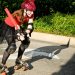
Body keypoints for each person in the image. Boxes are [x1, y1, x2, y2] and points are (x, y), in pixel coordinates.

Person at [0, 0, 36, 72]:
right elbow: (17, 28)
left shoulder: (31, 14)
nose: (31, 13)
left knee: (26, 41)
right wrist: (19, 35)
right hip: (7, 26)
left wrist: (26, 32)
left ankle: (18, 60)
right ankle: (2, 65)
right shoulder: (18, 13)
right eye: (30, 11)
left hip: (16, 27)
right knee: (12, 46)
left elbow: (30, 26)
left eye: (33, 11)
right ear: (25, 9)